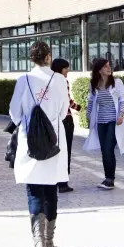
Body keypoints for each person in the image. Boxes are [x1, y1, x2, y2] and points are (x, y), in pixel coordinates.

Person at [9, 41, 68, 247]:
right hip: (53, 139)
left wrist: (29, 120)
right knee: (51, 188)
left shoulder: (23, 80)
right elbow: (63, 112)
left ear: (31, 58)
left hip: (30, 139)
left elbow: (15, 114)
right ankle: (50, 240)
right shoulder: (60, 79)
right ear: (48, 57)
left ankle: (39, 243)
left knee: (34, 189)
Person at [83, 58, 124, 190]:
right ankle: (107, 177)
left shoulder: (117, 82)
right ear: (99, 70)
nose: (109, 68)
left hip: (113, 122)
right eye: (106, 66)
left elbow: (123, 99)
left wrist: (121, 114)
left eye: (109, 66)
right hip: (100, 122)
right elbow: (90, 102)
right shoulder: (94, 84)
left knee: (108, 149)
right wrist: (88, 117)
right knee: (104, 150)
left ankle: (110, 179)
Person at [50, 58, 81, 194]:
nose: (67, 71)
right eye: (66, 68)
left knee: (54, 151)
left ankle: (53, 180)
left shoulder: (47, 80)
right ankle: (63, 183)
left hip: (51, 121)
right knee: (65, 151)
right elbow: (67, 101)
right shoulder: (63, 81)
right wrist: (78, 107)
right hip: (65, 120)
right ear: (60, 69)